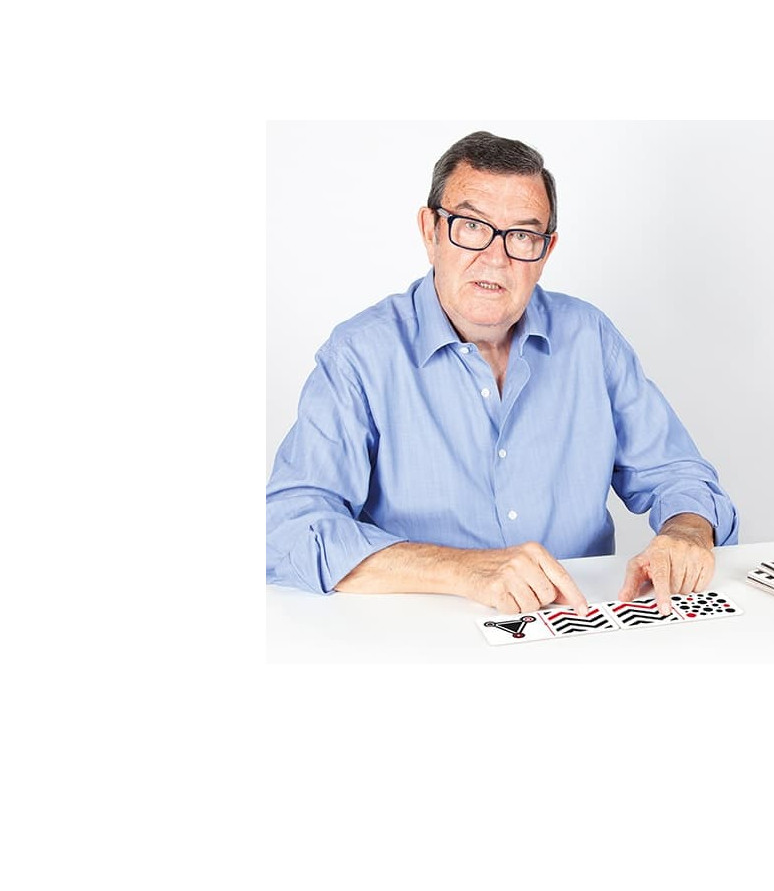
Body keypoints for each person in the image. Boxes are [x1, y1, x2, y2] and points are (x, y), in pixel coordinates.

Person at [266, 130, 737, 615]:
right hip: (420, 633)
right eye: (471, 226)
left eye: (522, 236)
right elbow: (287, 530)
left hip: (577, 626)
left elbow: (678, 474)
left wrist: (686, 531)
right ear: (430, 231)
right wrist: (462, 569)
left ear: (546, 251)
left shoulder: (590, 338)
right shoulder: (359, 355)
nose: (496, 258)